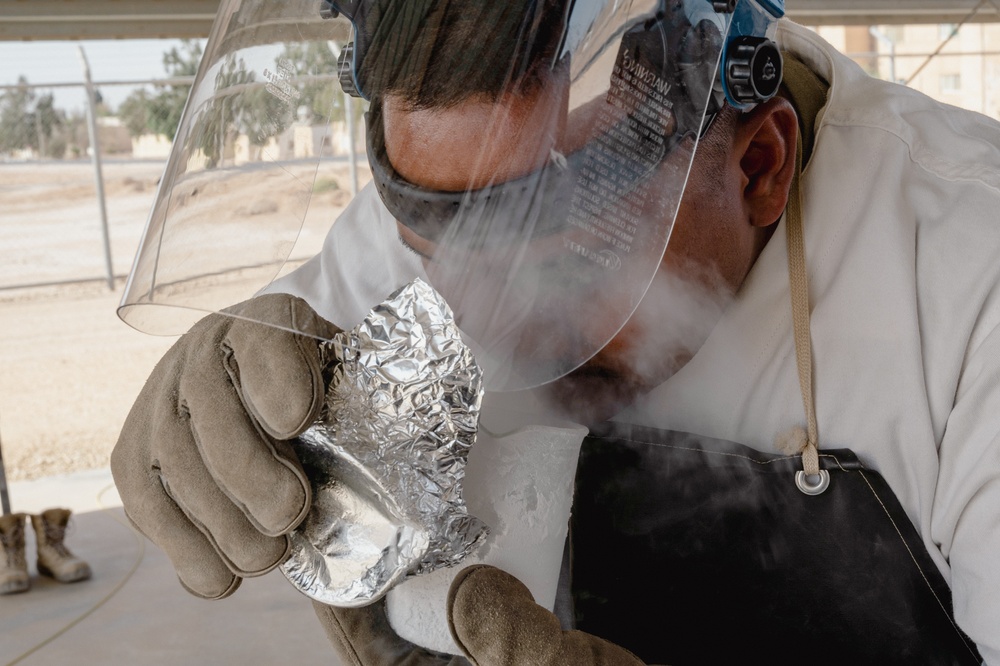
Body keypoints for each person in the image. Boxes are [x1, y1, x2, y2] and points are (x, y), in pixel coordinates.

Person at [112, 0, 1000, 663]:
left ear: (758, 166)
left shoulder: (966, 267)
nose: (479, 322)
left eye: (551, 266)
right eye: (434, 249)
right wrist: (221, 395)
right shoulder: (458, 202)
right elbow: (271, 377)